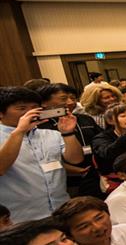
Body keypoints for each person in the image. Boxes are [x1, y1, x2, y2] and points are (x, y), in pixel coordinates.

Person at [0, 86, 83, 221]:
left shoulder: (50, 134)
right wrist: (20, 131)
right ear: (1, 113)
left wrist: (68, 133)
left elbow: (75, 159)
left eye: (34, 107)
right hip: (20, 217)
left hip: (61, 210)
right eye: (21, 108)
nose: (30, 112)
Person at [38, 83, 104, 197]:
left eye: (73, 98)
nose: (70, 102)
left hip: (95, 173)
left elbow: (101, 140)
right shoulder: (40, 127)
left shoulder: (84, 119)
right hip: (65, 181)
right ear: (44, 102)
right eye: (64, 99)